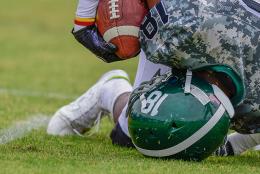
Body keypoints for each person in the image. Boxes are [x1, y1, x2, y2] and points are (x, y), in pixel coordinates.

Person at [47, 0, 260, 156]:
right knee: (135, 134)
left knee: (168, 137)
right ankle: (109, 91)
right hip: (191, 25)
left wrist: (228, 146)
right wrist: (84, 15)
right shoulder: (180, 26)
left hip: (214, 39)